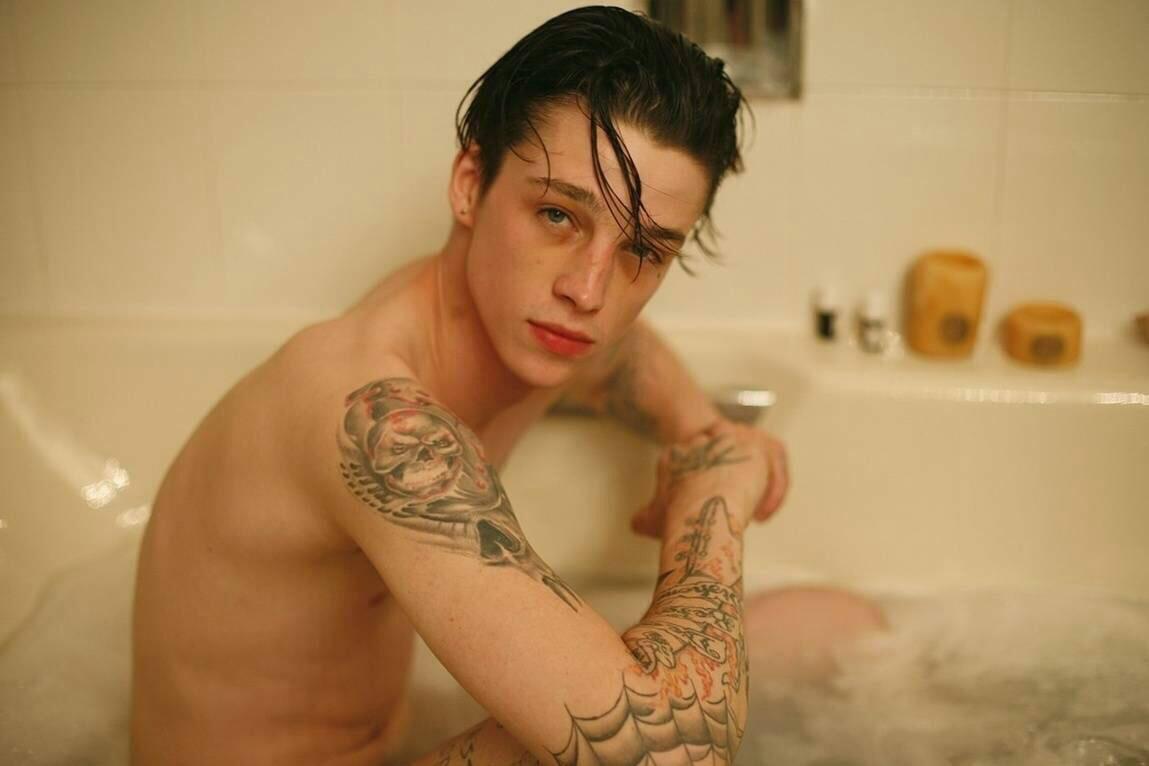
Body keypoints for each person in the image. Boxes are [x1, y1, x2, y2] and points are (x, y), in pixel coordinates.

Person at [131, 6, 801, 764]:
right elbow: (674, 756)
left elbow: (624, 359)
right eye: (558, 215)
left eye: (641, 251)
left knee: (832, 625)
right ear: (469, 184)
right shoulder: (373, 415)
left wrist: (701, 434)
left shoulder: (541, 327)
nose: (589, 291)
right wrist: (714, 501)